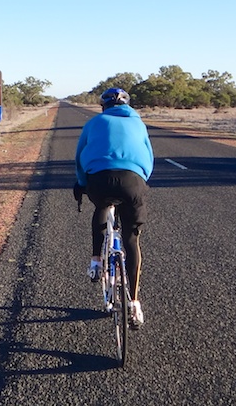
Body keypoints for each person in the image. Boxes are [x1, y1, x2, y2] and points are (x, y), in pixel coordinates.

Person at [74, 87, 154, 327]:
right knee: (131, 239)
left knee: (101, 206)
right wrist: (140, 180)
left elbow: (79, 157)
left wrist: (81, 183)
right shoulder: (138, 123)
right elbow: (148, 157)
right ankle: (134, 304)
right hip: (133, 181)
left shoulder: (94, 122)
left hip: (99, 179)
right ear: (127, 105)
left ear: (103, 106)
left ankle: (96, 261)